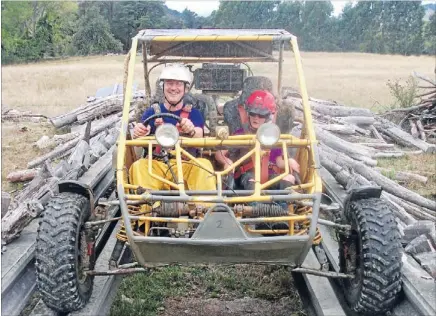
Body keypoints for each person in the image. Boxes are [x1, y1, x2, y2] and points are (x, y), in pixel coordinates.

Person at [129, 63, 216, 195]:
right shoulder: (152, 112)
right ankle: (148, 210)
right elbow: (140, 133)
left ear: (185, 89)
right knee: (138, 166)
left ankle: (204, 209)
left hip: (186, 164)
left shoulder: (194, 113)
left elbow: (200, 135)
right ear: (163, 87)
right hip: (157, 165)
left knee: (205, 166)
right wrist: (138, 132)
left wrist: (191, 130)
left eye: (178, 84)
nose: (174, 88)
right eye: (169, 83)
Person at [215, 90, 300, 192]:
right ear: (248, 113)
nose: (256, 118)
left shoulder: (273, 135)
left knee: (289, 179)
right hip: (248, 174)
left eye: (261, 115)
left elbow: (278, 161)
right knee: (252, 182)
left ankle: (283, 206)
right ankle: (255, 206)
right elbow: (219, 153)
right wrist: (227, 161)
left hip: (271, 174)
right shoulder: (241, 134)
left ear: (269, 116)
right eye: (253, 113)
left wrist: (288, 161)